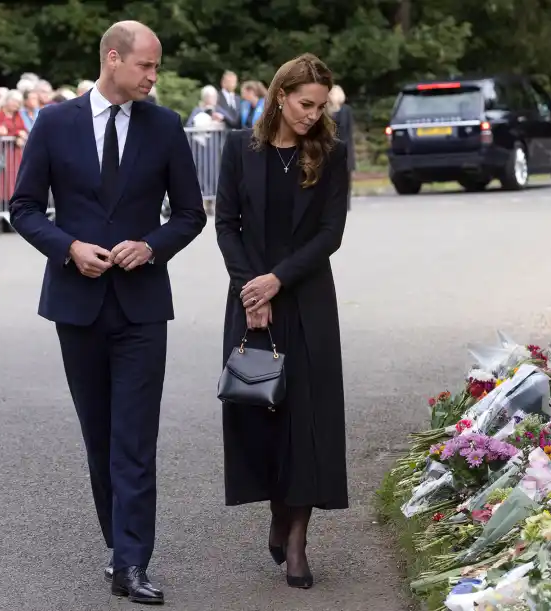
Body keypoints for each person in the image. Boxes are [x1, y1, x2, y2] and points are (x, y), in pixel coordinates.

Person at [8, 20, 206, 605]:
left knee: (134, 438)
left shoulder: (166, 127)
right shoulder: (54, 122)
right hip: (77, 304)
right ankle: (116, 545)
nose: (154, 76)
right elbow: (23, 207)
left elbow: (191, 214)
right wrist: (67, 247)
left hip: (143, 307)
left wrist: (152, 245)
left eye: (157, 67)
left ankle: (132, 562)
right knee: (100, 438)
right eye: (146, 65)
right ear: (113, 59)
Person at [215, 52, 350, 590]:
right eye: (303, 104)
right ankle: (277, 511)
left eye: (320, 106)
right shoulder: (237, 149)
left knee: (308, 424)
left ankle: (297, 539)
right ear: (279, 96)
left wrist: (279, 280)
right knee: (262, 415)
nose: (312, 115)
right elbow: (227, 223)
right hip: (250, 297)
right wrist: (253, 288)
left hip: (307, 298)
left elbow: (330, 233)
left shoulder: (331, 152)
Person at [327, 85, 355, 210]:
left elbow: (348, 130)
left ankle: (346, 203)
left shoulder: (346, 110)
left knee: (345, 177)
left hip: (344, 146)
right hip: (330, 147)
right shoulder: (327, 110)